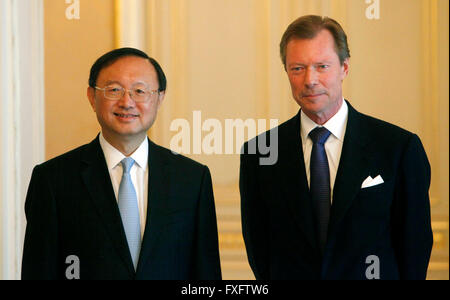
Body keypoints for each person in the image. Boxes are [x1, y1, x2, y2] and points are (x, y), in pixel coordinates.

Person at [240, 15, 433, 280]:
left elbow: (414, 248)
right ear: (286, 71)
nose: (310, 80)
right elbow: (260, 251)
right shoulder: (259, 152)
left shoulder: (398, 148)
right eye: (298, 68)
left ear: (344, 67)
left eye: (322, 66)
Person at [22, 48, 222, 280]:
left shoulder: (192, 179)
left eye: (139, 91)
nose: (127, 102)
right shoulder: (52, 179)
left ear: (160, 98)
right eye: (114, 90)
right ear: (91, 96)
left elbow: (206, 276)